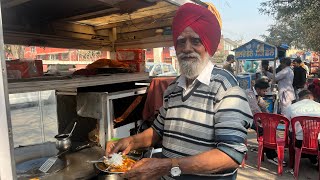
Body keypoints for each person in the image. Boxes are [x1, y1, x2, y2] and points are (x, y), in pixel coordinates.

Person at [106, 3, 253, 180]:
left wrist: (167, 166)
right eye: (181, 42)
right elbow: (158, 131)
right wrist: (131, 141)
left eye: (196, 41)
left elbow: (230, 155)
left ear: (207, 44)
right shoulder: (173, 89)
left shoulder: (226, 87)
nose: (187, 48)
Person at [284, 89, 320, 165]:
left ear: (300, 98)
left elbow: (285, 124)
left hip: (298, 142)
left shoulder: (291, 107)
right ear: (310, 97)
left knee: (291, 132)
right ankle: (314, 158)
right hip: (317, 142)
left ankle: (295, 159)